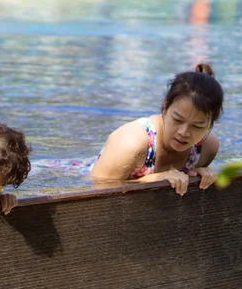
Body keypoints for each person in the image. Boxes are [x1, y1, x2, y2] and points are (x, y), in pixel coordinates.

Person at [90, 63, 223, 196]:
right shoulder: (131, 143)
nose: (183, 133)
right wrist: (152, 180)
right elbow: (94, 188)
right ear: (165, 106)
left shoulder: (206, 147)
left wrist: (197, 174)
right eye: (177, 120)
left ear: (211, 123)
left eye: (197, 126)